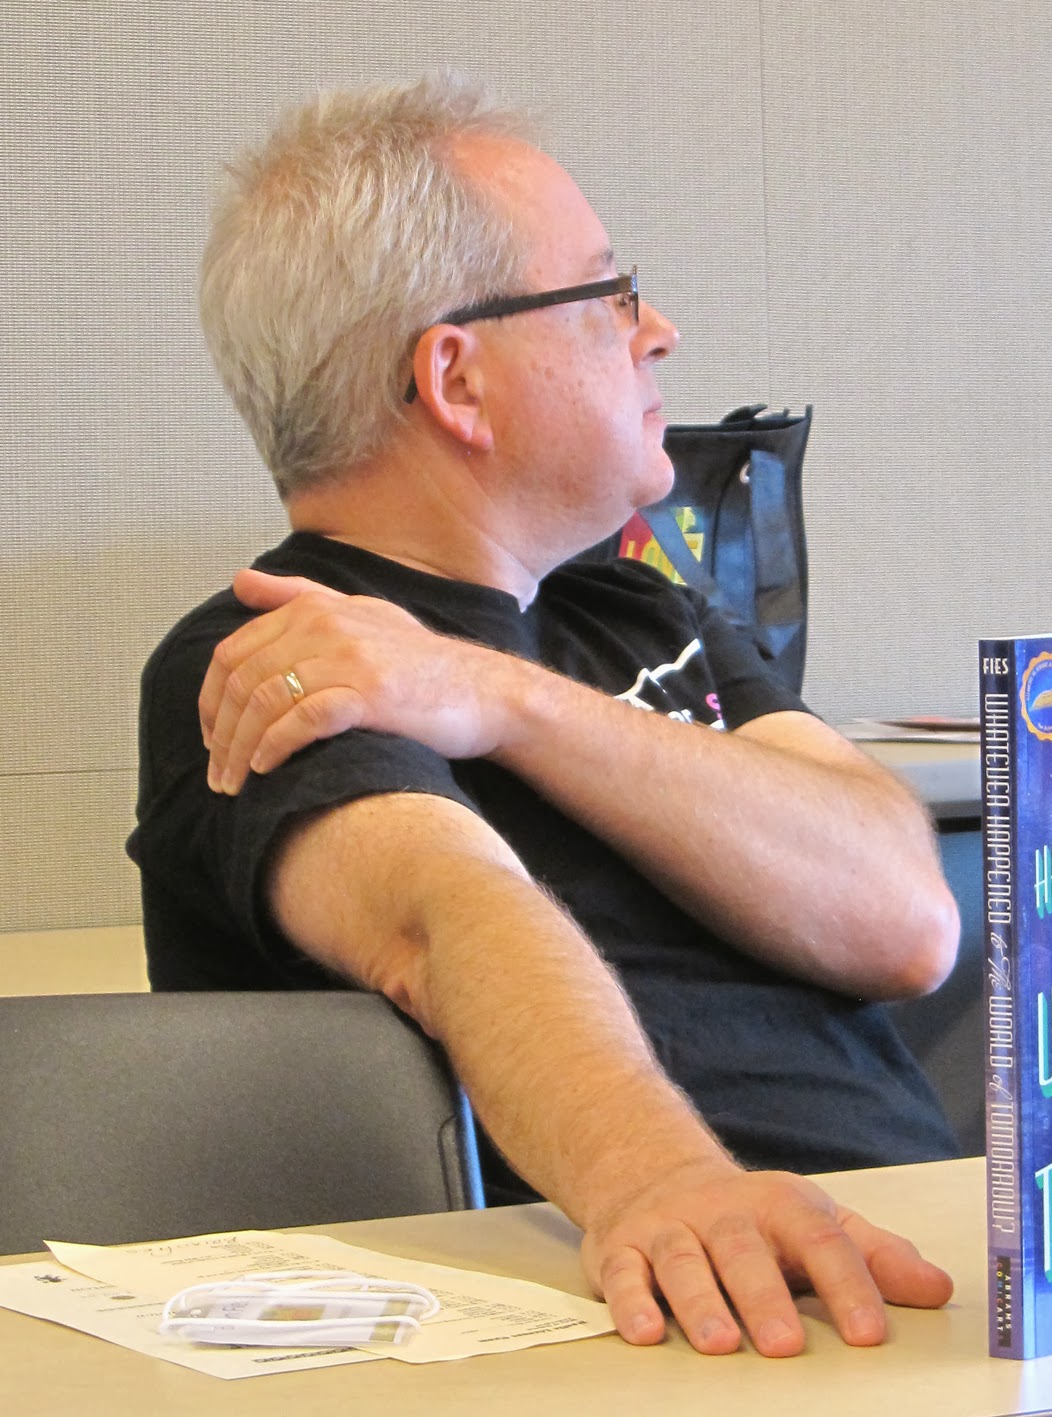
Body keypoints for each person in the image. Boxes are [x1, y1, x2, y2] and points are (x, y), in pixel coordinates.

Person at [128, 72, 962, 1358]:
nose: (659, 331)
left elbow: (904, 919)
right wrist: (660, 1183)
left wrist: (499, 696)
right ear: (456, 379)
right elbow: (441, 915)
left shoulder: (637, 608)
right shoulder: (269, 651)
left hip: (891, 1259)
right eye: (605, 295)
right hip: (658, 1303)